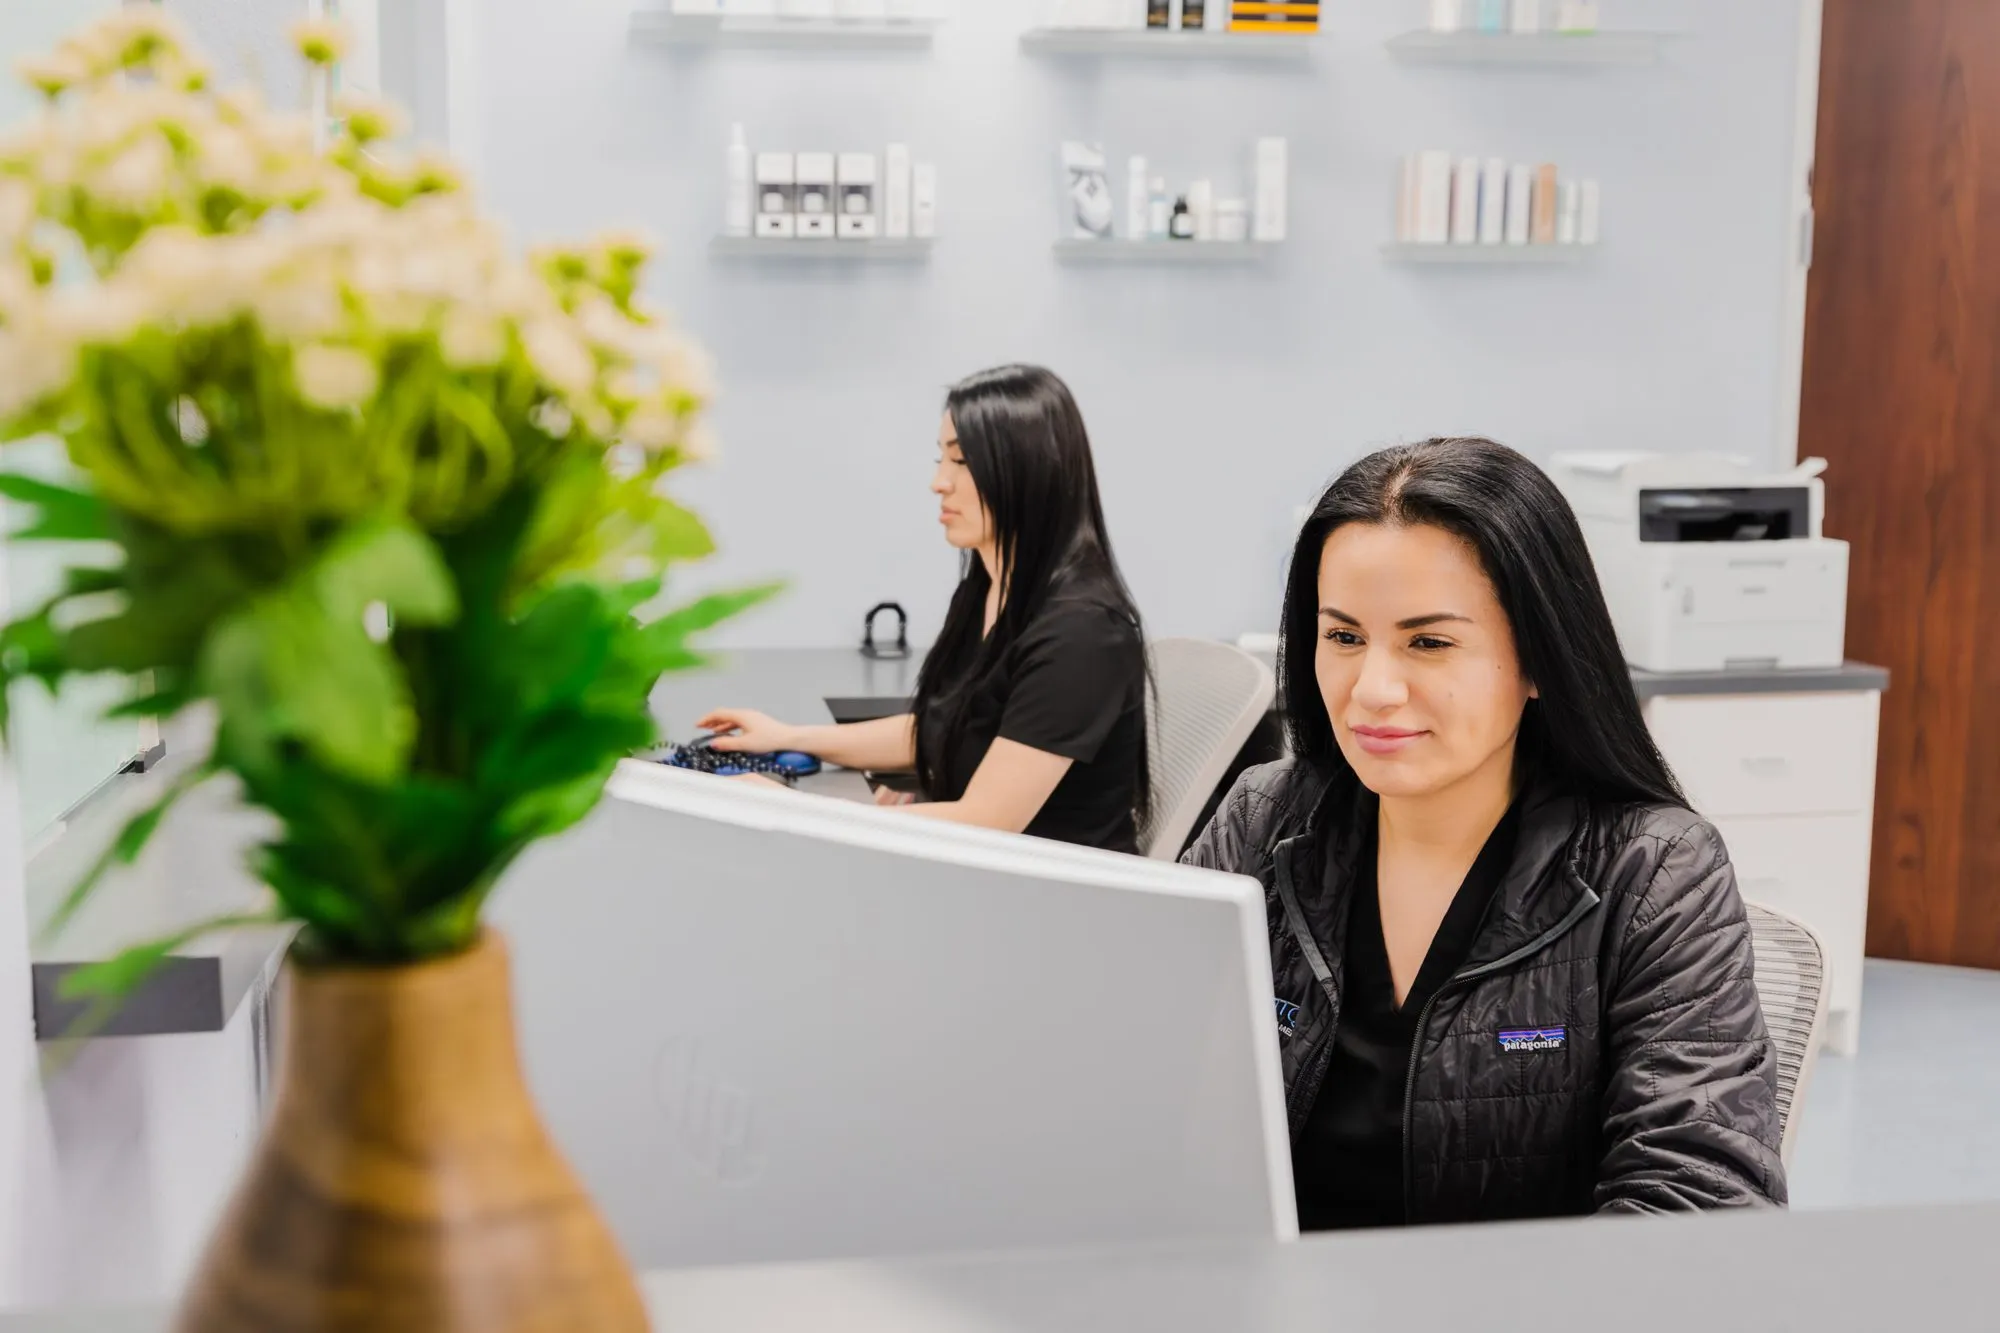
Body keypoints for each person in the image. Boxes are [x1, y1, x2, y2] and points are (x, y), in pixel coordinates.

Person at [1185, 436, 1787, 1229]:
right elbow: (1136, 1060)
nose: (1373, 688)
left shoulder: (1656, 872)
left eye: (1428, 642)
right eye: (1343, 636)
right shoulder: (1267, 818)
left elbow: (1701, 1204)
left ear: (1540, 658)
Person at [697, 364, 1151, 853]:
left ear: (1027, 469)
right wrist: (789, 736)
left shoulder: (1082, 633)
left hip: (1053, 899)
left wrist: (796, 809)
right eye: (942, 459)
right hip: (981, 871)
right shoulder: (988, 590)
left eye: (961, 462)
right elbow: (940, 728)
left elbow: (987, 820)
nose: (939, 482)